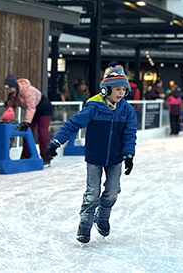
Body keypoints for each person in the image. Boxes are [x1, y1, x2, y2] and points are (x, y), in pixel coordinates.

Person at [46, 65, 138, 244]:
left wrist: (128, 155)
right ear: (107, 89)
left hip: (116, 157)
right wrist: (56, 142)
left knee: (112, 192)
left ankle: (102, 218)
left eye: (123, 89)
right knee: (92, 193)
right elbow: (72, 124)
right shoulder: (94, 107)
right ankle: (85, 225)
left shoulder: (127, 111)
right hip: (95, 155)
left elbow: (130, 134)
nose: (121, 93)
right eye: (117, 89)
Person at [4, 74, 55, 166]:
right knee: (27, 131)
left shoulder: (28, 91)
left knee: (42, 131)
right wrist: (6, 119)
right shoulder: (13, 94)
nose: (8, 91)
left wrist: (27, 122)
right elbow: (11, 107)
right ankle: (26, 154)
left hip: (43, 109)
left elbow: (31, 107)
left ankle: (47, 156)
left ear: (14, 86)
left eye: (9, 88)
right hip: (32, 111)